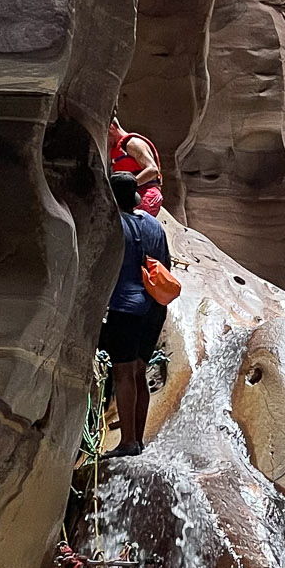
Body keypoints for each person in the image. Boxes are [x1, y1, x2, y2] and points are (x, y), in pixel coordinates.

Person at [100, 172, 171, 457]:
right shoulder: (155, 225)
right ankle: (137, 440)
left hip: (124, 307)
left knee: (123, 372)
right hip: (154, 308)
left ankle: (128, 441)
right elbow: (164, 266)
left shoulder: (113, 226)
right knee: (140, 371)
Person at [108, 116, 164, 217]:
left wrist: (127, 186)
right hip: (132, 196)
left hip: (146, 195)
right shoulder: (115, 149)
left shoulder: (132, 143)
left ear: (112, 127)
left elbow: (153, 169)